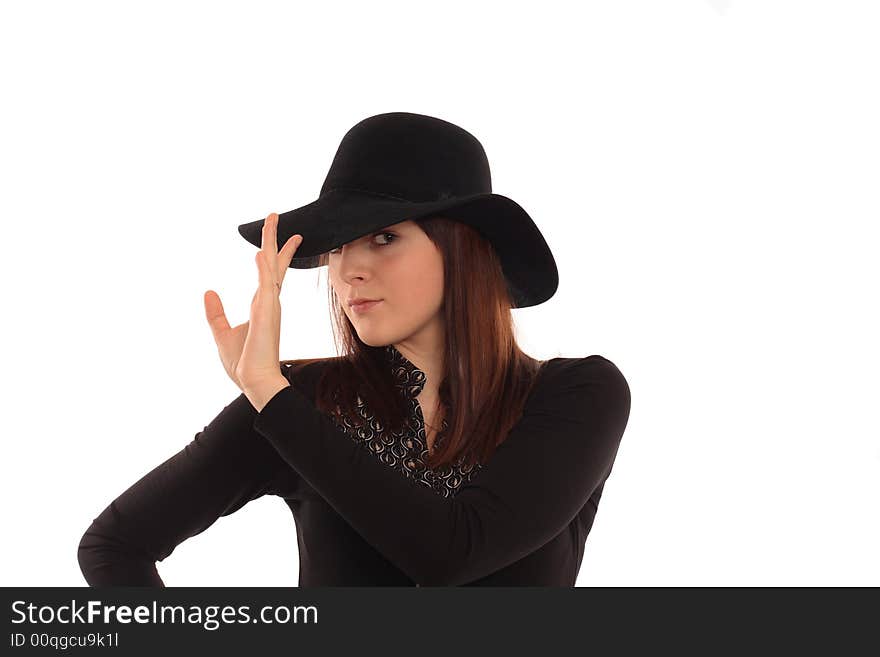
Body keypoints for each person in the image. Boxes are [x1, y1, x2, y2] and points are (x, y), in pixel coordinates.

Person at [77, 112, 632, 586]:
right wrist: (269, 392)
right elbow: (113, 546)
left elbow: (454, 552)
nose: (348, 270)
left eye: (384, 237)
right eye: (337, 246)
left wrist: (270, 391)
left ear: (463, 248)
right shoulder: (298, 403)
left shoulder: (576, 395)